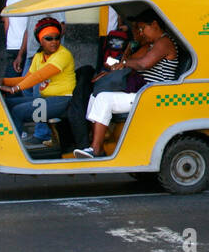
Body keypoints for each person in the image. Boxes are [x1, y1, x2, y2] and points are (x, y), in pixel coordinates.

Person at [75, 13, 180, 158]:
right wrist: (130, 47)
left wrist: (123, 63)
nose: (141, 33)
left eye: (142, 28)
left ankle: (96, 149)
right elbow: (129, 60)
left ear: (155, 25)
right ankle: (95, 142)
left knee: (104, 99)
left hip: (154, 96)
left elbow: (143, 64)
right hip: (143, 93)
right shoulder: (151, 45)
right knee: (96, 95)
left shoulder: (164, 42)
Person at [0, 16, 76, 146]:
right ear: (40, 40)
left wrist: (15, 89)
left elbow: (39, 76)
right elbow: (27, 78)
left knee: (18, 111)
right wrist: (3, 81)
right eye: (49, 38)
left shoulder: (63, 54)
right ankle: (2, 140)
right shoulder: (39, 55)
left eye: (57, 38)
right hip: (46, 99)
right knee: (6, 103)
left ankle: (13, 148)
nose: (54, 42)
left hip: (62, 100)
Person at [13, 0, 64, 72]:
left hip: (46, 56)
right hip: (31, 55)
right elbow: (28, 30)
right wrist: (20, 55)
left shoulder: (51, 0)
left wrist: (49, 46)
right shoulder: (32, 1)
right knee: (25, 86)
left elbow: (61, 26)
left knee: (38, 87)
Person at [3, 0, 36, 73]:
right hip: (31, 45)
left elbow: (6, 24)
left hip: (13, 44)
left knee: (12, 77)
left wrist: (10, 38)